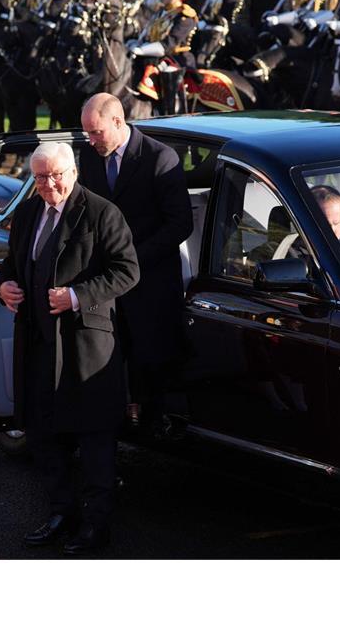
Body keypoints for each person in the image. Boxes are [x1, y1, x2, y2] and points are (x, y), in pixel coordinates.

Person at [0, 141, 139, 554]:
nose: (48, 184)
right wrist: (5, 286)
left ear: (73, 172)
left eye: (55, 175)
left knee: (94, 441)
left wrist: (77, 296)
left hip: (86, 346)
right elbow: (14, 264)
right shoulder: (26, 213)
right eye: (40, 177)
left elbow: (127, 271)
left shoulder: (100, 212)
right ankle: (61, 513)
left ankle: (96, 526)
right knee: (43, 436)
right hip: (38, 344)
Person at [78, 93, 193, 433]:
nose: (91, 139)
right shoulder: (89, 156)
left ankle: (155, 426)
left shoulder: (159, 158)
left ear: (118, 121)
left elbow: (180, 224)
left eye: (96, 132)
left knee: (151, 365)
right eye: (87, 133)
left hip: (152, 283)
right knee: (108, 362)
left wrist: (130, 259)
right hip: (107, 285)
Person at [128, 0, 197, 114]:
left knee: (167, 71)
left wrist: (142, 49)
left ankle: (171, 115)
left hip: (178, 59)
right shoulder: (161, 13)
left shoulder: (185, 15)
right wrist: (136, 43)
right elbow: (147, 33)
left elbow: (169, 44)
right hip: (156, 56)